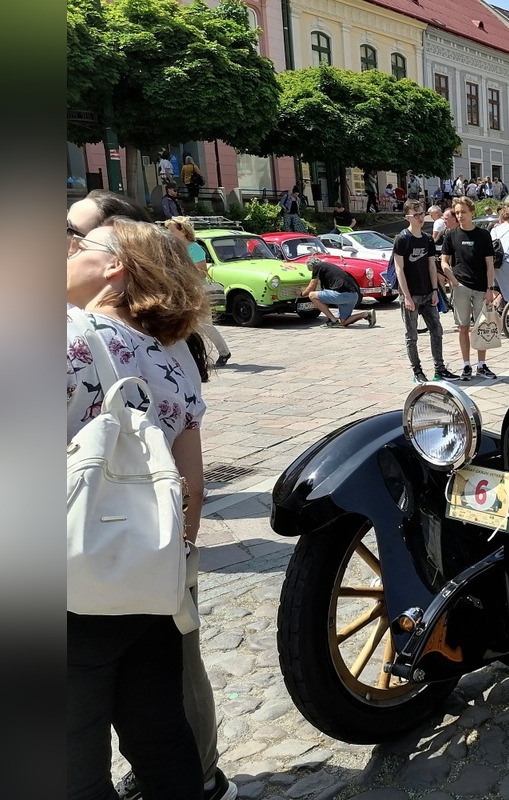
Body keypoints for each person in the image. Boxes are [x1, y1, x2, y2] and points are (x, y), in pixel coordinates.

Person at [68, 217, 211, 800]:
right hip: (150, 572)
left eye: (79, 244)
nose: (67, 250)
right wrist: (174, 558)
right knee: (160, 736)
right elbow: (192, 481)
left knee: (69, 756)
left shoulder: (65, 337)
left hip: (69, 576)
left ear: (115, 267)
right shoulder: (174, 355)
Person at [390, 201, 456, 383]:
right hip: (410, 294)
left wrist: (435, 290)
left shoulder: (427, 239)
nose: (420, 218)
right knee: (412, 335)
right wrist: (406, 296)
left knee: (437, 330)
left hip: (427, 292)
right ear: (407, 218)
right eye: (416, 215)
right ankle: (417, 371)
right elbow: (399, 269)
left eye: (422, 214)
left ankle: (439, 369)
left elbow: (431, 266)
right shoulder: (402, 239)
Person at [440, 197, 498, 381]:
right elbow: (444, 261)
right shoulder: (451, 235)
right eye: (457, 213)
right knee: (463, 327)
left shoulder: (483, 235)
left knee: (482, 327)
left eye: (463, 212)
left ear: (472, 213)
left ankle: (481, 365)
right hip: (461, 287)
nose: (460, 216)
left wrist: (490, 288)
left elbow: (489, 264)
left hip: (481, 287)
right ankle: (466, 365)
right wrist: (453, 280)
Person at [167, 217, 232, 367]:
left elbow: (202, 272)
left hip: (199, 290)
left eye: (172, 231)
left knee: (205, 324)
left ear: (182, 231)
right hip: (184, 290)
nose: (169, 234)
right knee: (184, 325)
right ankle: (188, 357)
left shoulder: (195, 248)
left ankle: (224, 352)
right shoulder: (176, 249)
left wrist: (183, 269)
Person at [303, 256, 375, 328]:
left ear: (311, 266)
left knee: (312, 295)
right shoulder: (329, 267)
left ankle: (333, 320)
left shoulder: (317, 267)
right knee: (343, 322)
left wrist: (301, 294)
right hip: (354, 295)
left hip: (342, 294)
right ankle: (366, 314)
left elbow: (311, 287)